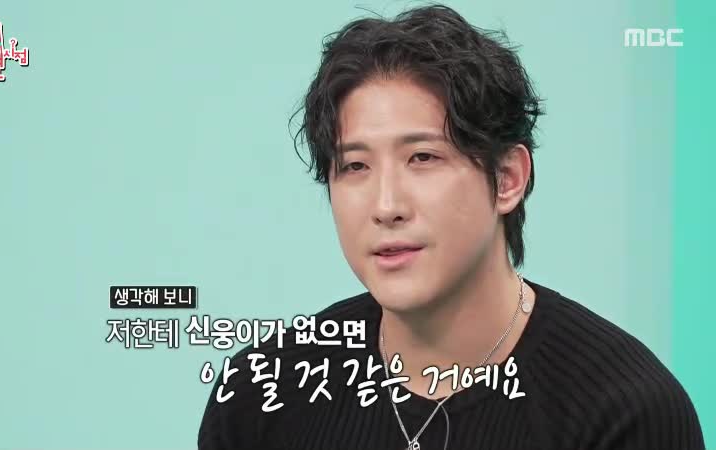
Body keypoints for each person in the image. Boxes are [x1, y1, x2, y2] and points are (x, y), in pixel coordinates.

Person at [198, 4, 704, 449]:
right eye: (355, 166)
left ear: (507, 178)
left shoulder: (624, 411)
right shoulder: (260, 396)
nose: (386, 206)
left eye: (422, 157)